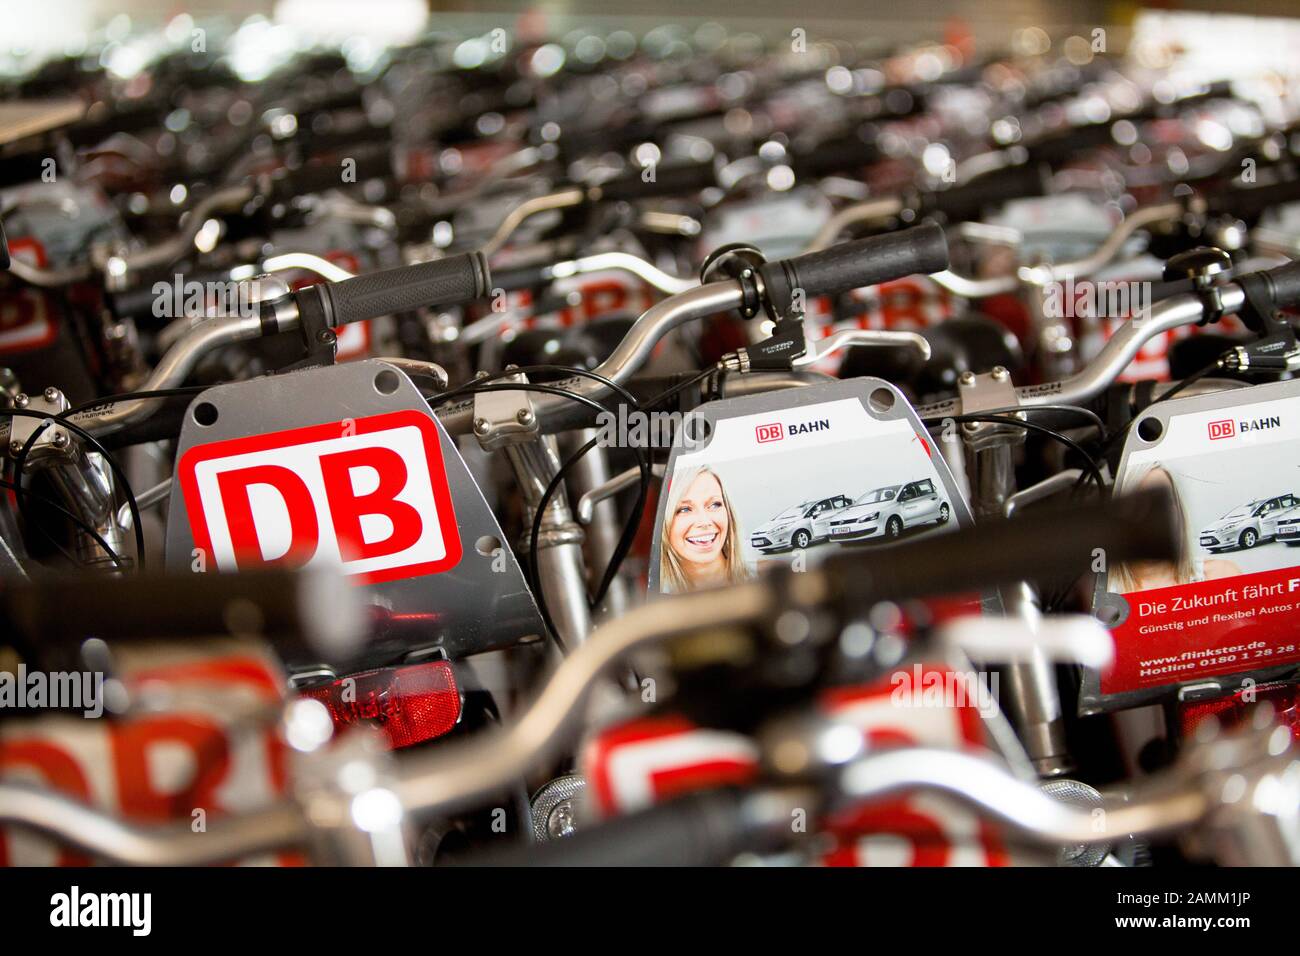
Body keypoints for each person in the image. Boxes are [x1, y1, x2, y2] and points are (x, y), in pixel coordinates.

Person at [1108, 463, 1240, 592]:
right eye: (1138, 503)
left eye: (1162, 502)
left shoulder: (1222, 575)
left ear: (1178, 511)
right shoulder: (1103, 595)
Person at [659, 466, 751, 593]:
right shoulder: (653, 600)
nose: (704, 522)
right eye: (684, 509)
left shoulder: (765, 579)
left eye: (714, 505)